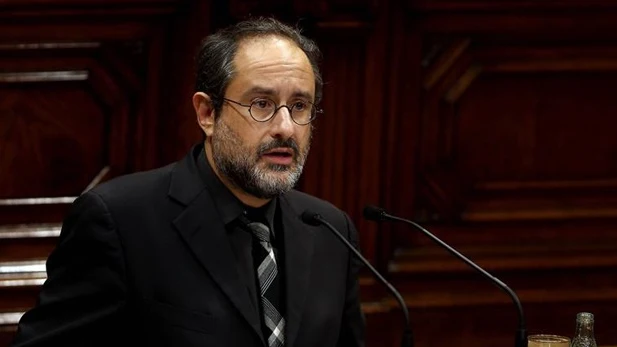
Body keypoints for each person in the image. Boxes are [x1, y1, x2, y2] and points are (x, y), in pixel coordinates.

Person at [11, 17, 365, 347]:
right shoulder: (119, 221)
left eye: (300, 106)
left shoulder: (331, 230)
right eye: (261, 103)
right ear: (207, 113)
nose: (286, 127)